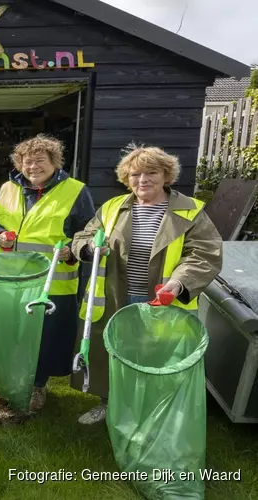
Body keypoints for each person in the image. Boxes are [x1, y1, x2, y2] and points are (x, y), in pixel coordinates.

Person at [71, 145, 222, 425]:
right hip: (116, 297)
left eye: (151, 172)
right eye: (135, 174)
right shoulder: (113, 208)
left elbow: (204, 254)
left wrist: (179, 282)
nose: (143, 180)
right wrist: (92, 247)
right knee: (113, 351)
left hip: (163, 300)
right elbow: (83, 236)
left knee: (155, 356)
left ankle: (152, 413)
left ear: (167, 175)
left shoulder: (190, 211)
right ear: (126, 178)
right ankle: (109, 403)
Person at [0, 134, 95, 413]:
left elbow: (88, 231)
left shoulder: (75, 190)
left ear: (54, 162)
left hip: (53, 283)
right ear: (19, 163)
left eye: (40, 161)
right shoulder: (8, 188)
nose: (33, 167)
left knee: (43, 339)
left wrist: (72, 249)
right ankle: (6, 382)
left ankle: (36, 386)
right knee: (9, 334)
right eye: (27, 162)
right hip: (9, 279)